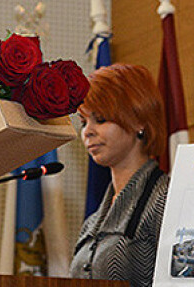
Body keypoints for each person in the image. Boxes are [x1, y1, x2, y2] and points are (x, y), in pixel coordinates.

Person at [70, 63, 169, 287]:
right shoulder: (92, 222)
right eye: (84, 122)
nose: (87, 131)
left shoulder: (166, 199)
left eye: (101, 119)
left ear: (138, 121)